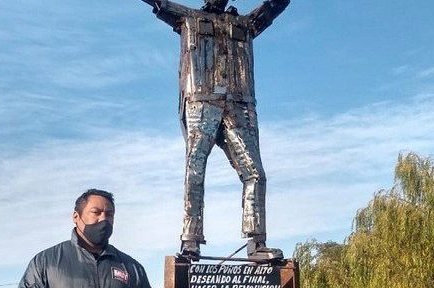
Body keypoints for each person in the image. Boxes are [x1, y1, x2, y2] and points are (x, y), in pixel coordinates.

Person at [138, 0, 289, 260]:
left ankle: (257, 242)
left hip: (240, 103)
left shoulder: (245, 23)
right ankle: (190, 241)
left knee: (255, 173)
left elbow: (275, 6)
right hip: (201, 100)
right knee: (195, 169)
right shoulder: (188, 18)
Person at [19, 189, 151, 288]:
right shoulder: (45, 263)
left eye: (109, 214)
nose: (103, 219)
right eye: (95, 212)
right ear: (76, 217)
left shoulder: (132, 267)